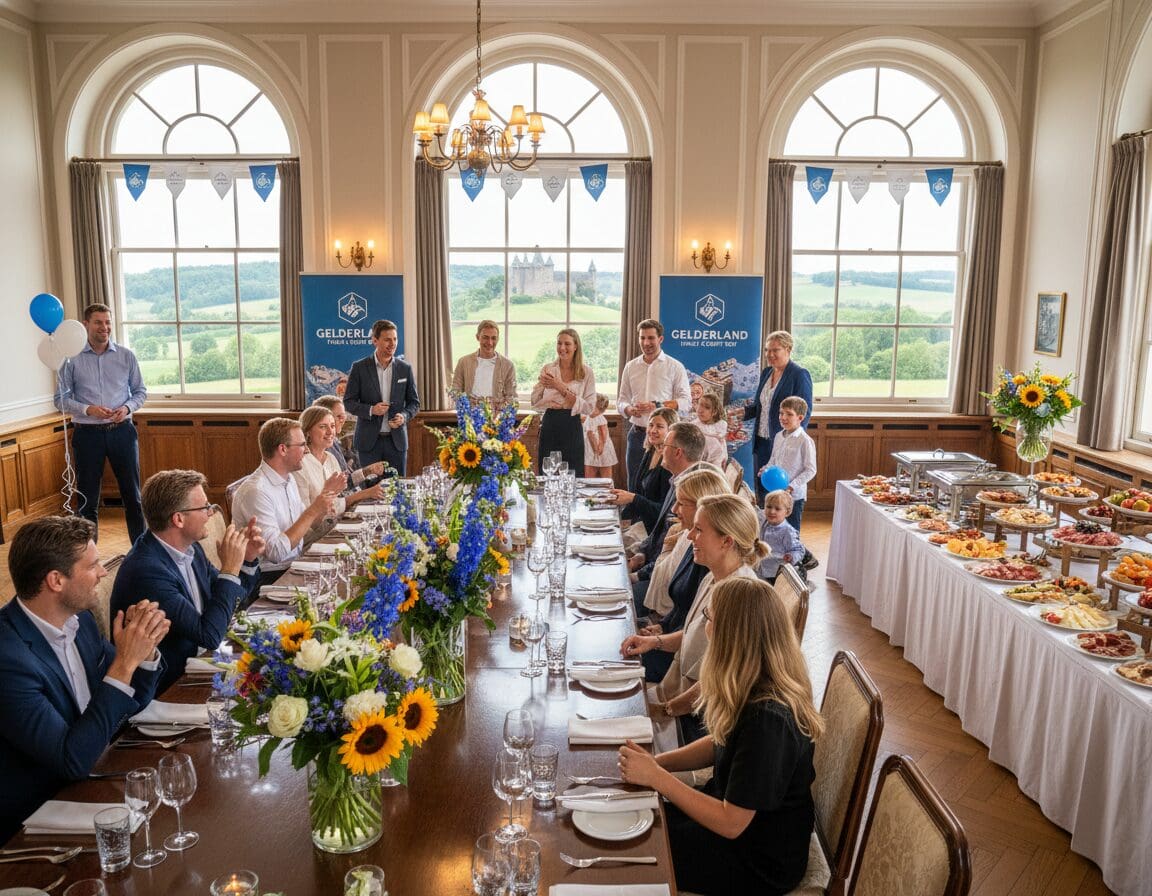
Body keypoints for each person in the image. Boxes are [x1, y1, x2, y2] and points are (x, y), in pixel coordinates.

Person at [617, 577, 822, 894]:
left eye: (709, 618)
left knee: (629, 849)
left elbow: (731, 823)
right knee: (634, 818)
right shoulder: (752, 678)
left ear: (731, 635)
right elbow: (720, 743)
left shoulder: (768, 719)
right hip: (733, 822)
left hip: (756, 858)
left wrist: (657, 777)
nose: (705, 624)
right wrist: (658, 762)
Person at [0, 516, 170, 840]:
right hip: (37, 826)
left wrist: (143, 653)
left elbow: (124, 706)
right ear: (56, 580)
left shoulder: (81, 623)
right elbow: (71, 760)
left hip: (98, 783)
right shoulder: (8, 660)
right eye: (92, 565)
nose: (104, 572)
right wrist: (124, 663)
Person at [621, 493, 769, 742]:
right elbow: (694, 634)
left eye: (699, 530)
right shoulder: (714, 576)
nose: (689, 536)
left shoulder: (737, 598)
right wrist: (656, 642)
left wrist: (665, 711)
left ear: (726, 541)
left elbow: (718, 683)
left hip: (699, 722)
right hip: (677, 693)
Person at [111, 469, 262, 691]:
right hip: (171, 685)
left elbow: (232, 604)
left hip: (204, 663)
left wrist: (246, 561)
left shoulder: (191, 549)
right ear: (178, 519)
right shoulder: (147, 571)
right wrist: (229, 570)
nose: (210, 513)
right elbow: (208, 635)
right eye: (204, 507)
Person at [53, 303, 148, 543]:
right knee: (87, 500)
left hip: (122, 432)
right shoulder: (70, 359)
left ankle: (142, 551)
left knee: (133, 497)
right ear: (86, 325)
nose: (104, 327)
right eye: (98, 322)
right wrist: (88, 409)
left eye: (107, 322)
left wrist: (126, 408)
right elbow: (60, 399)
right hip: (87, 436)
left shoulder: (126, 356)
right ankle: (88, 554)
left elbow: (140, 392)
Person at [635, 467, 729, 682]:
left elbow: (701, 640)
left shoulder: (710, 558)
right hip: (671, 637)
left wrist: (660, 639)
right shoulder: (693, 540)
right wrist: (661, 627)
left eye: (681, 503)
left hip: (683, 660)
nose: (674, 509)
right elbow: (684, 609)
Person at [230, 418, 339, 583]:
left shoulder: (289, 479)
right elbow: (276, 553)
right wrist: (312, 511)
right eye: (302, 445)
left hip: (293, 565)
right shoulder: (257, 491)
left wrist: (322, 509)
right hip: (267, 577)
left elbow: (305, 527)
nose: (306, 450)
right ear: (282, 449)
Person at [626, 422, 707, 609]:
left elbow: (674, 556)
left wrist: (639, 575)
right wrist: (641, 554)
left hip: (666, 582)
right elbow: (659, 533)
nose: (661, 450)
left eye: (665, 446)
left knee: (619, 600)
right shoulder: (677, 478)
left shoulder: (693, 491)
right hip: (652, 567)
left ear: (678, 452)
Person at [617, 319, 691, 488]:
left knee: (662, 487)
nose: (646, 343)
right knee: (634, 485)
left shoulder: (675, 367)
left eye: (651, 338)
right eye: (642, 338)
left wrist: (657, 406)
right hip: (637, 435)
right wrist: (628, 409)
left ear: (660, 339)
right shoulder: (630, 367)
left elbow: (686, 402)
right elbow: (621, 400)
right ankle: (633, 516)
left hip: (666, 440)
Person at [344, 319, 421, 476]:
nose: (392, 344)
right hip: (368, 443)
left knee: (397, 491)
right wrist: (372, 410)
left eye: (395, 339)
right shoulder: (359, 368)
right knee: (370, 492)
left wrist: (404, 416)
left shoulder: (405, 369)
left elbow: (414, 403)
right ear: (374, 340)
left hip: (397, 443)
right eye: (387, 339)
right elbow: (348, 402)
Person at [744, 330, 813, 499]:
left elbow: (804, 412)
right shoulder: (767, 372)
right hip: (761, 441)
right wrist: (743, 412)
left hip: (784, 443)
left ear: (788, 349)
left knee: (781, 495)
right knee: (764, 490)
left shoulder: (799, 375)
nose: (770, 354)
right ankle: (767, 524)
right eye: (767, 350)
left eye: (775, 350)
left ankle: (785, 524)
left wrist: (792, 442)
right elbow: (762, 406)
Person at [293, 407, 386, 524]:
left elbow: (338, 503)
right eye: (322, 427)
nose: (330, 432)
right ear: (307, 431)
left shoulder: (331, 459)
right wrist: (365, 493)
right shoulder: (299, 465)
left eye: (332, 426)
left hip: (335, 524)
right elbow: (305, 518)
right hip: (316, 534)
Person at [530, 328, 597, 473]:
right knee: (548, 471)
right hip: (550, 422)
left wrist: (560, 387)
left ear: (575, 346)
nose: (562, 348)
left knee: (573, 472)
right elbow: (535, 402)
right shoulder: (548, 369)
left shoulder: (587, 373)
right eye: (559, 343)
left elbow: (589, 408)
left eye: (567, 344)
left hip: (572, 424)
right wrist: (540, 386)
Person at [611, 407, 677, 532]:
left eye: (659, 426)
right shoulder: (650, 451)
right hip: (640, 523)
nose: (653, 430)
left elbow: (663, 512)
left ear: (671, 431)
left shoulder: (669, 464)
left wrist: (632, 498)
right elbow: (638, 491)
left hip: (654, 530)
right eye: (651, 425)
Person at [766, 396, 817, 532]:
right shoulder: (778, 436)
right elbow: (773, 459)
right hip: (776, 493)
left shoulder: (805, 441)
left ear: (800, 418)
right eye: (781, 413)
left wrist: (791, 486)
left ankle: (794, 553)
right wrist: (766, 469)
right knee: (775, 528)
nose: (783, 417)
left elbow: (810, 470)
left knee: (792, 531)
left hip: (794, 496)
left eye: (789, 414)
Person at [451, 319, 518, 405]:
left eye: (493, 338)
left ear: (498, 339)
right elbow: (455, 391)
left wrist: (500, 412)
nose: (490, 342)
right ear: (477, 337)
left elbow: (512, 396)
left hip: (497, 416)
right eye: (485, 337)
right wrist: (466, 404)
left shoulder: (508, 365)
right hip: (470, 415)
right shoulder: (463, 362)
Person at [756, 490, 806, 583]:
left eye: (777, 509)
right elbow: (756, 512)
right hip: (762, 569)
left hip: (776, 572)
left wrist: (791, 556)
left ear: (787, 512)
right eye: (769, 507)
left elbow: (798, 549)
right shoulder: (764, 522)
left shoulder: (787, 531)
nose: (772, 511)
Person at [582, 393, 618, 479]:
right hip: (589, 451)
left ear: (600, 409)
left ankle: (607, 490)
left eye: (591, 407)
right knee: (589, 476)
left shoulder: (600, 419)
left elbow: (603, 435)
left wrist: (598, 449)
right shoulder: (589, 418)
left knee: (606, 478)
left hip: (602, 450)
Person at [695, 391, 729, 467]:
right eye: (700, 405)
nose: (701, 410)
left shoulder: (721, 425)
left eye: (707, 407)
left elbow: (718, 440)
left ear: (714, 412)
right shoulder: (695, 423)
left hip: (716, 464)